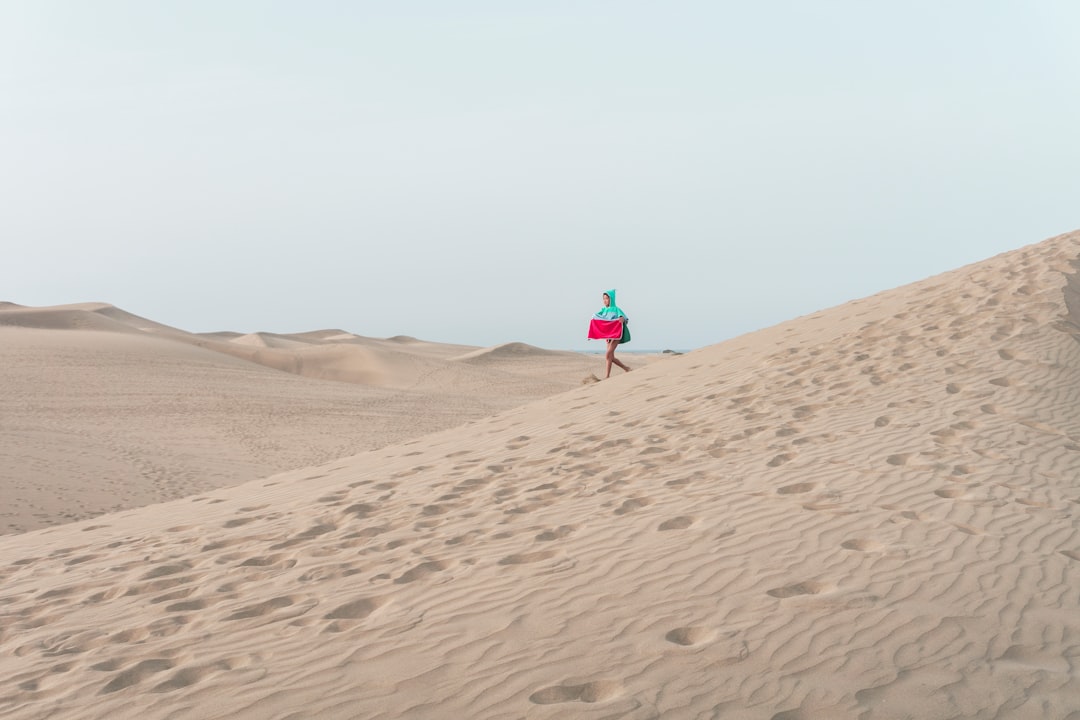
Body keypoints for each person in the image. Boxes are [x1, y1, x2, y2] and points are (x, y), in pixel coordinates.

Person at [594, 289, 631, 378]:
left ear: (611, 299)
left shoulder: (616, 309)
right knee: (610, 357)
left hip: (616, 335)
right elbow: (597, 316)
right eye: (604, 299)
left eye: (607, 298)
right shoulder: (603, 310)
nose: (605, 300)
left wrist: (622, 318)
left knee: (607, 354)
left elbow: (624, 317)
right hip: (608, 336)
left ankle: (607, 376)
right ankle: (626, 368)